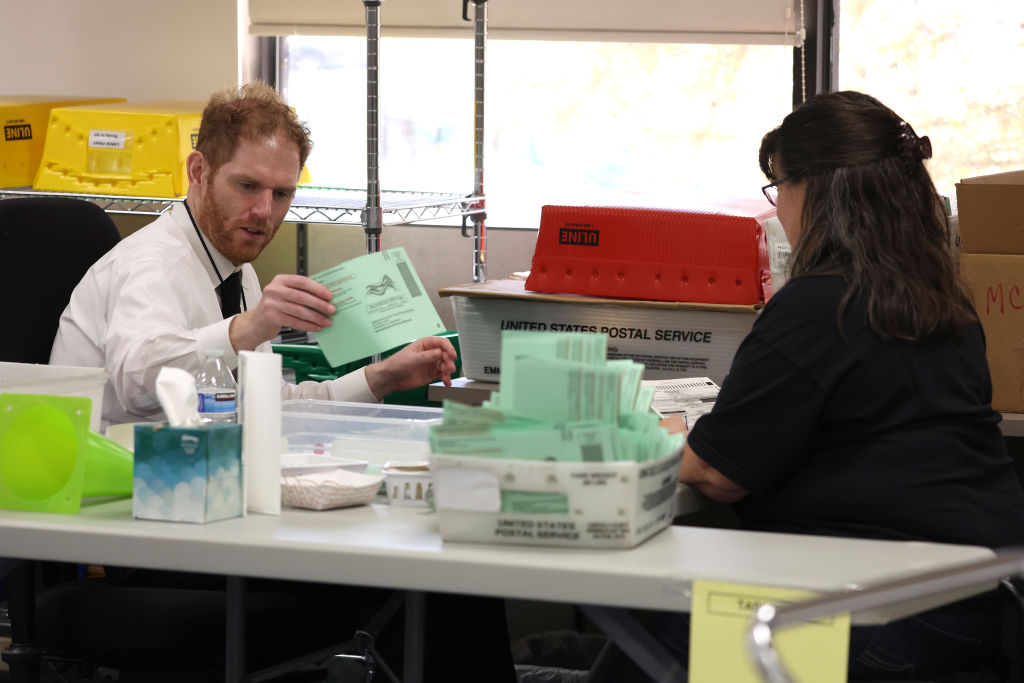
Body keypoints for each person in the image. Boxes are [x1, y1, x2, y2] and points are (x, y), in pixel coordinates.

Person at [610, 91, 1024, 680]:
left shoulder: (821, 304)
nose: (778, 207)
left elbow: (718, 474)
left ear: (818, 191)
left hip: (882, 620)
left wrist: (625, 435)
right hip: (971, 606)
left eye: (779, 186)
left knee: (643, 640)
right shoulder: (940, 301)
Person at [50, 81, 456, 429]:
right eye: (247, 186)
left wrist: (383, 376)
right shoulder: (151, 265)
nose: (264, 211)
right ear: (198, 172)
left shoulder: (233, 269)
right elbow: (138, 387)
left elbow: (273, 409)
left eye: (281, 194)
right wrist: (250, 326)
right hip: (103, 493)